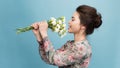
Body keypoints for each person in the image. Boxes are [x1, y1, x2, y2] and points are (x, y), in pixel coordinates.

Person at [31, 5, 102, 68]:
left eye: (73, 19)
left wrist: (44, 33)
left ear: (83, 26)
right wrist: (39, 36)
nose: (69, 22)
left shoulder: (82, 49)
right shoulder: (70, 44)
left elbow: (53, 59)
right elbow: (48, 58)